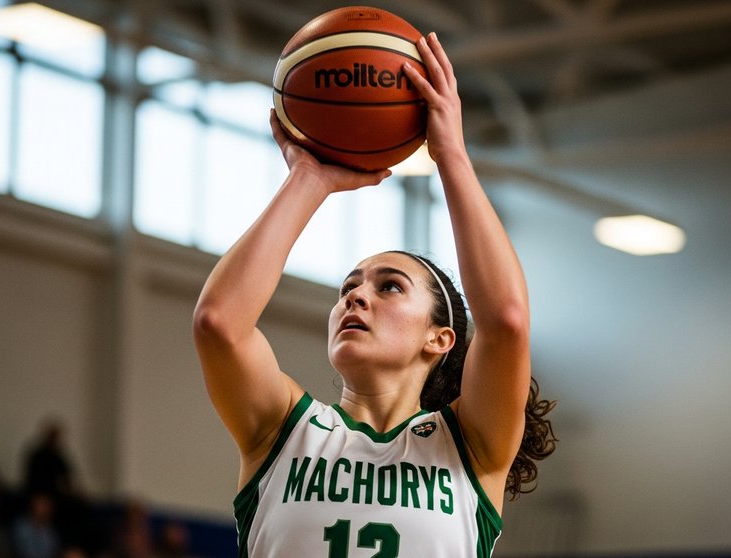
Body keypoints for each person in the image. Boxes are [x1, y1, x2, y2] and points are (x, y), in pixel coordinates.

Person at [192, 33, 556, 557]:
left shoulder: (469, 448)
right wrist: (308, 179)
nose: (356, 298)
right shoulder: (284, 432)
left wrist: (450, 153)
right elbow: (219, 323)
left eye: (389, 286)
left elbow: (506, 319)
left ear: (440, 338)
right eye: (349, 288)